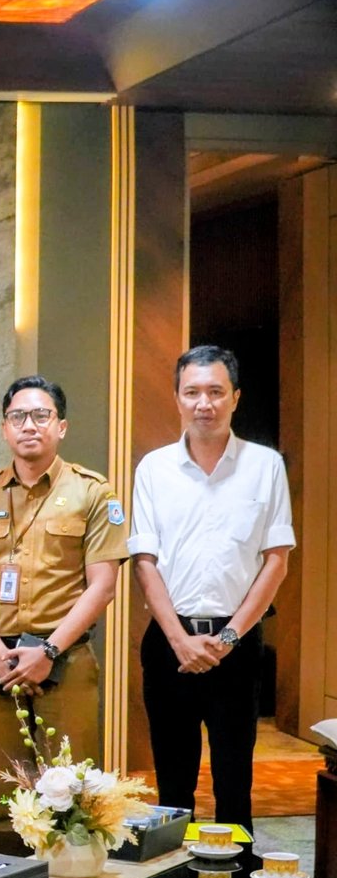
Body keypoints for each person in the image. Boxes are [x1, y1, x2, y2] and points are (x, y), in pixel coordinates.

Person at [130, 346, 293, 834]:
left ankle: (236, 876)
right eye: (193, 392)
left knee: (234, 783)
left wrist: (228, 638)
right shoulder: (153, 468)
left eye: (216, 392)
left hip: (237, 647)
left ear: (235, 398)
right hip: (169, 645)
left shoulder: (265, 466)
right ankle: (174, 876)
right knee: (172, 787)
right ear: (177, 398)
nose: (204, 403)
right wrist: (180, 640)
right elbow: (144, 562)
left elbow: (276, 560)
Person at [0, 376, 128, 826]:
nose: (29, 425)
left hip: (65, 660)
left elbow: (103, 586)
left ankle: (71, 877)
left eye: (41, 415)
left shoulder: (93, 492)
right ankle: (9, 873)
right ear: (4, 428)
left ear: (61, 426)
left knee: (75, 800)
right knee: (7, 800)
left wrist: (48, 651)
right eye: (18, 417)